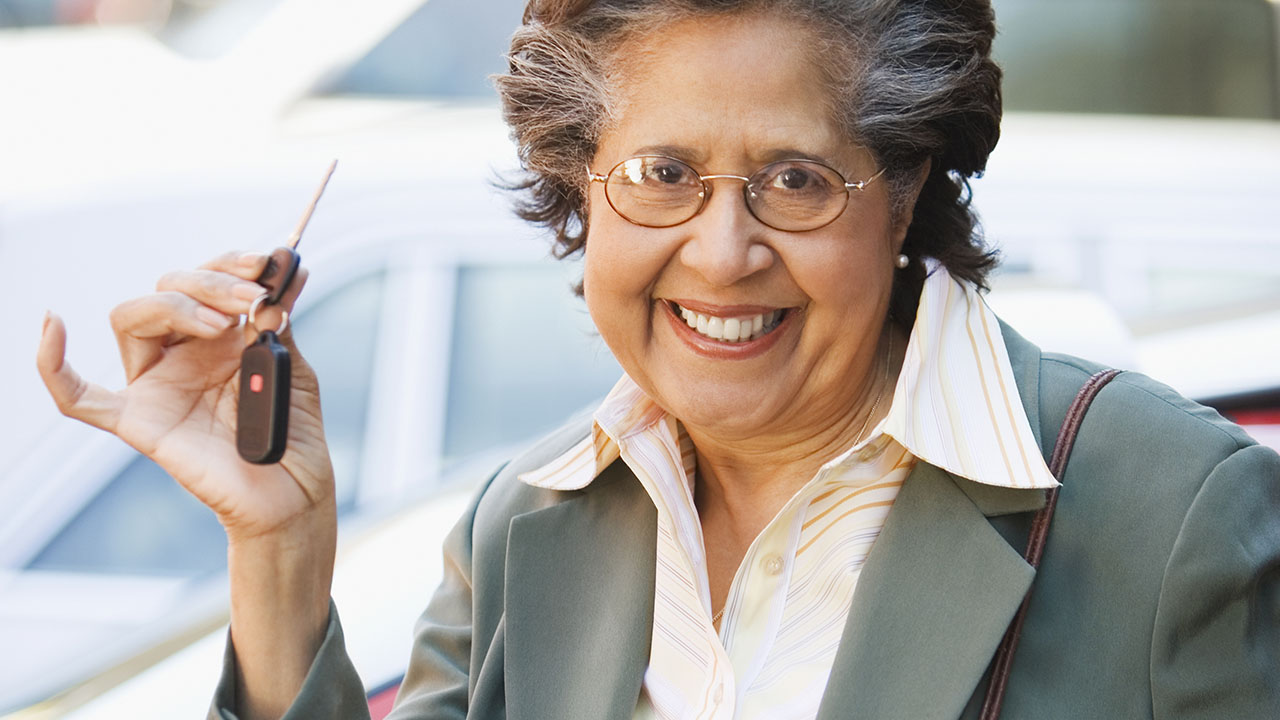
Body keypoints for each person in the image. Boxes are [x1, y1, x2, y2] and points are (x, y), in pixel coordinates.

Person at [36, 0, 1279, 718]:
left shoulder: (1170, 514)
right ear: (580, 187)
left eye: (794, 180)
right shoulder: (518, 529)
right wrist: (280, 549)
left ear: (903, 193)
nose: (722, 251)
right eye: (662, 176)